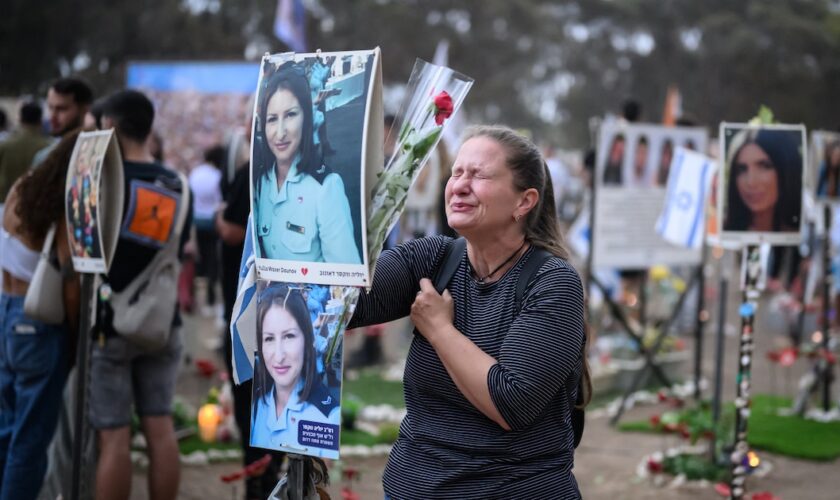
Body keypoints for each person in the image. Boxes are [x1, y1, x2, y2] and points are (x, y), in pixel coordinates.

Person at [348, 125, 590, 498]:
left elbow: (511, 402)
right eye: (457, 172)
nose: (459, 185)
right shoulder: (432, 258)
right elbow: (346, 304)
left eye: (478, 175)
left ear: (524, 202)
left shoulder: (553, 283)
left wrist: (440, 330)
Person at [89, 90, 190, 500]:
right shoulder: (175, 183)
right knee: (160, 428)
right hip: (162, 323)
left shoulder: (102, 181)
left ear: (110, 126)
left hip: (111, 324)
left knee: (113, 437)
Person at [0, 129, 81, 500]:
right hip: (37, 322)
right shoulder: (62, 205)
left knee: (6, 426)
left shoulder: (21, 189)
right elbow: (69, 280)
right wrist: (77, 331)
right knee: (30, 439)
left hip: (5, 308)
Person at [252, 63, 360, 264]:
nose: (280, 132)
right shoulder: (260, 183)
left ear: (306, 117)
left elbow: (347, 282)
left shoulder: (326, 188)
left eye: (291, 115)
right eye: (272, 119)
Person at [250, 284, 340, 455]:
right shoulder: (258, 405)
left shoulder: (329, 417)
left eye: (289, 336)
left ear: (308, 338)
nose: (278, 356)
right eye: (268, 339)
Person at [724, 128, 802, 233]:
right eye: (742, 169)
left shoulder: (801, 234)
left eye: (765, 166)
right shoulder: (724, 233)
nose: (751, 182)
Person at [189, 145, 224, 311]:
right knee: (212, 260)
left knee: (198, 260)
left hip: (196, 220)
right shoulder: (217, 175)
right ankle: (210, 298)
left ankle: (194, 298)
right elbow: (219, 201)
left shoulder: (196, 172)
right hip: (211, 221)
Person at [32, 78, 94, 166]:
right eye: (50, 107)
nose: (52, 116)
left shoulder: (97, 155)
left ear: (84, 110)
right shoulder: (44, 158)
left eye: (61, 109)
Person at [0, 102, 51, 205]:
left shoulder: (5, 145)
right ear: (40, 120)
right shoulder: (49, 147)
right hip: (35, 205)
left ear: (20, 119)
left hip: (4, 201)